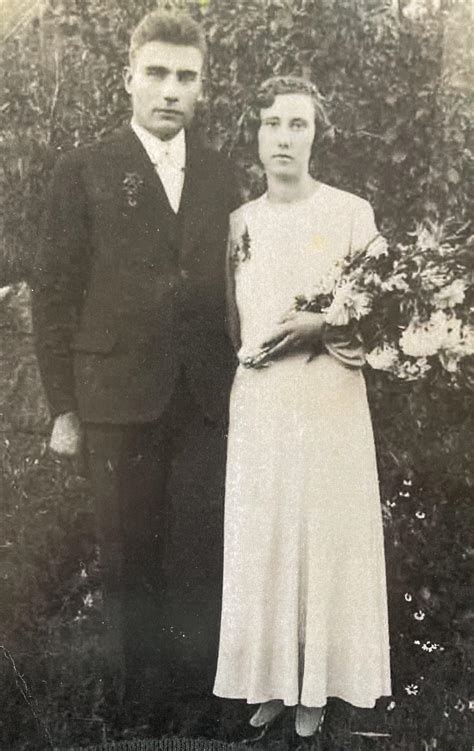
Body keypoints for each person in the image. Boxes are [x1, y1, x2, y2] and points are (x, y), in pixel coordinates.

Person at [32, 10, 237, 729]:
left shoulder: (221, 173)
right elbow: (52, 294)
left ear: (202, 88)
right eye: (156, 73)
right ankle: (133, 711)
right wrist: (63, 409)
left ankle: (194, 707)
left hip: (205, 399)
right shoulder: (84, 170)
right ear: (128, 79)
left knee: (197, 553)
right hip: (115, 397)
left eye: (186, 77)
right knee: (127, 555)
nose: (171, 90)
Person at [213, 77, 391, 740]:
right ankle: (269, 680)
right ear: (255, 135)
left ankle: (317, 684)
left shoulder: (351, 212)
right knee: (265, 531)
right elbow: (232, 316)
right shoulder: (238, 223)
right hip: (261, 399)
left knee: (322, 529)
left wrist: (323, 326)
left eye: (297, 125)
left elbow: (385, 306)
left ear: (317, 134)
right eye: (271, 125)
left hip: (328, 397)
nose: (283, 138)